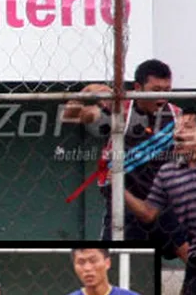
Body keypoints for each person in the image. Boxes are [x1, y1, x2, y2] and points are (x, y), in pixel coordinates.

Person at [62, 59, 187, 257]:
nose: (162, 96)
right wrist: (86, 92)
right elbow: (69, 115)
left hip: (163, 205)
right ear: (138, 88)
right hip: (125, 204)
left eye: (167, 90)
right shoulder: (120, 110)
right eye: (155, 90)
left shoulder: (176, 115)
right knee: (112, 260)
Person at [124, 108, 196, 295]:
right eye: (177, 128)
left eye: (187, 128)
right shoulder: (168, 172)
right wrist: (118, 188)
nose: (178, 134)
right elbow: (148, 213)